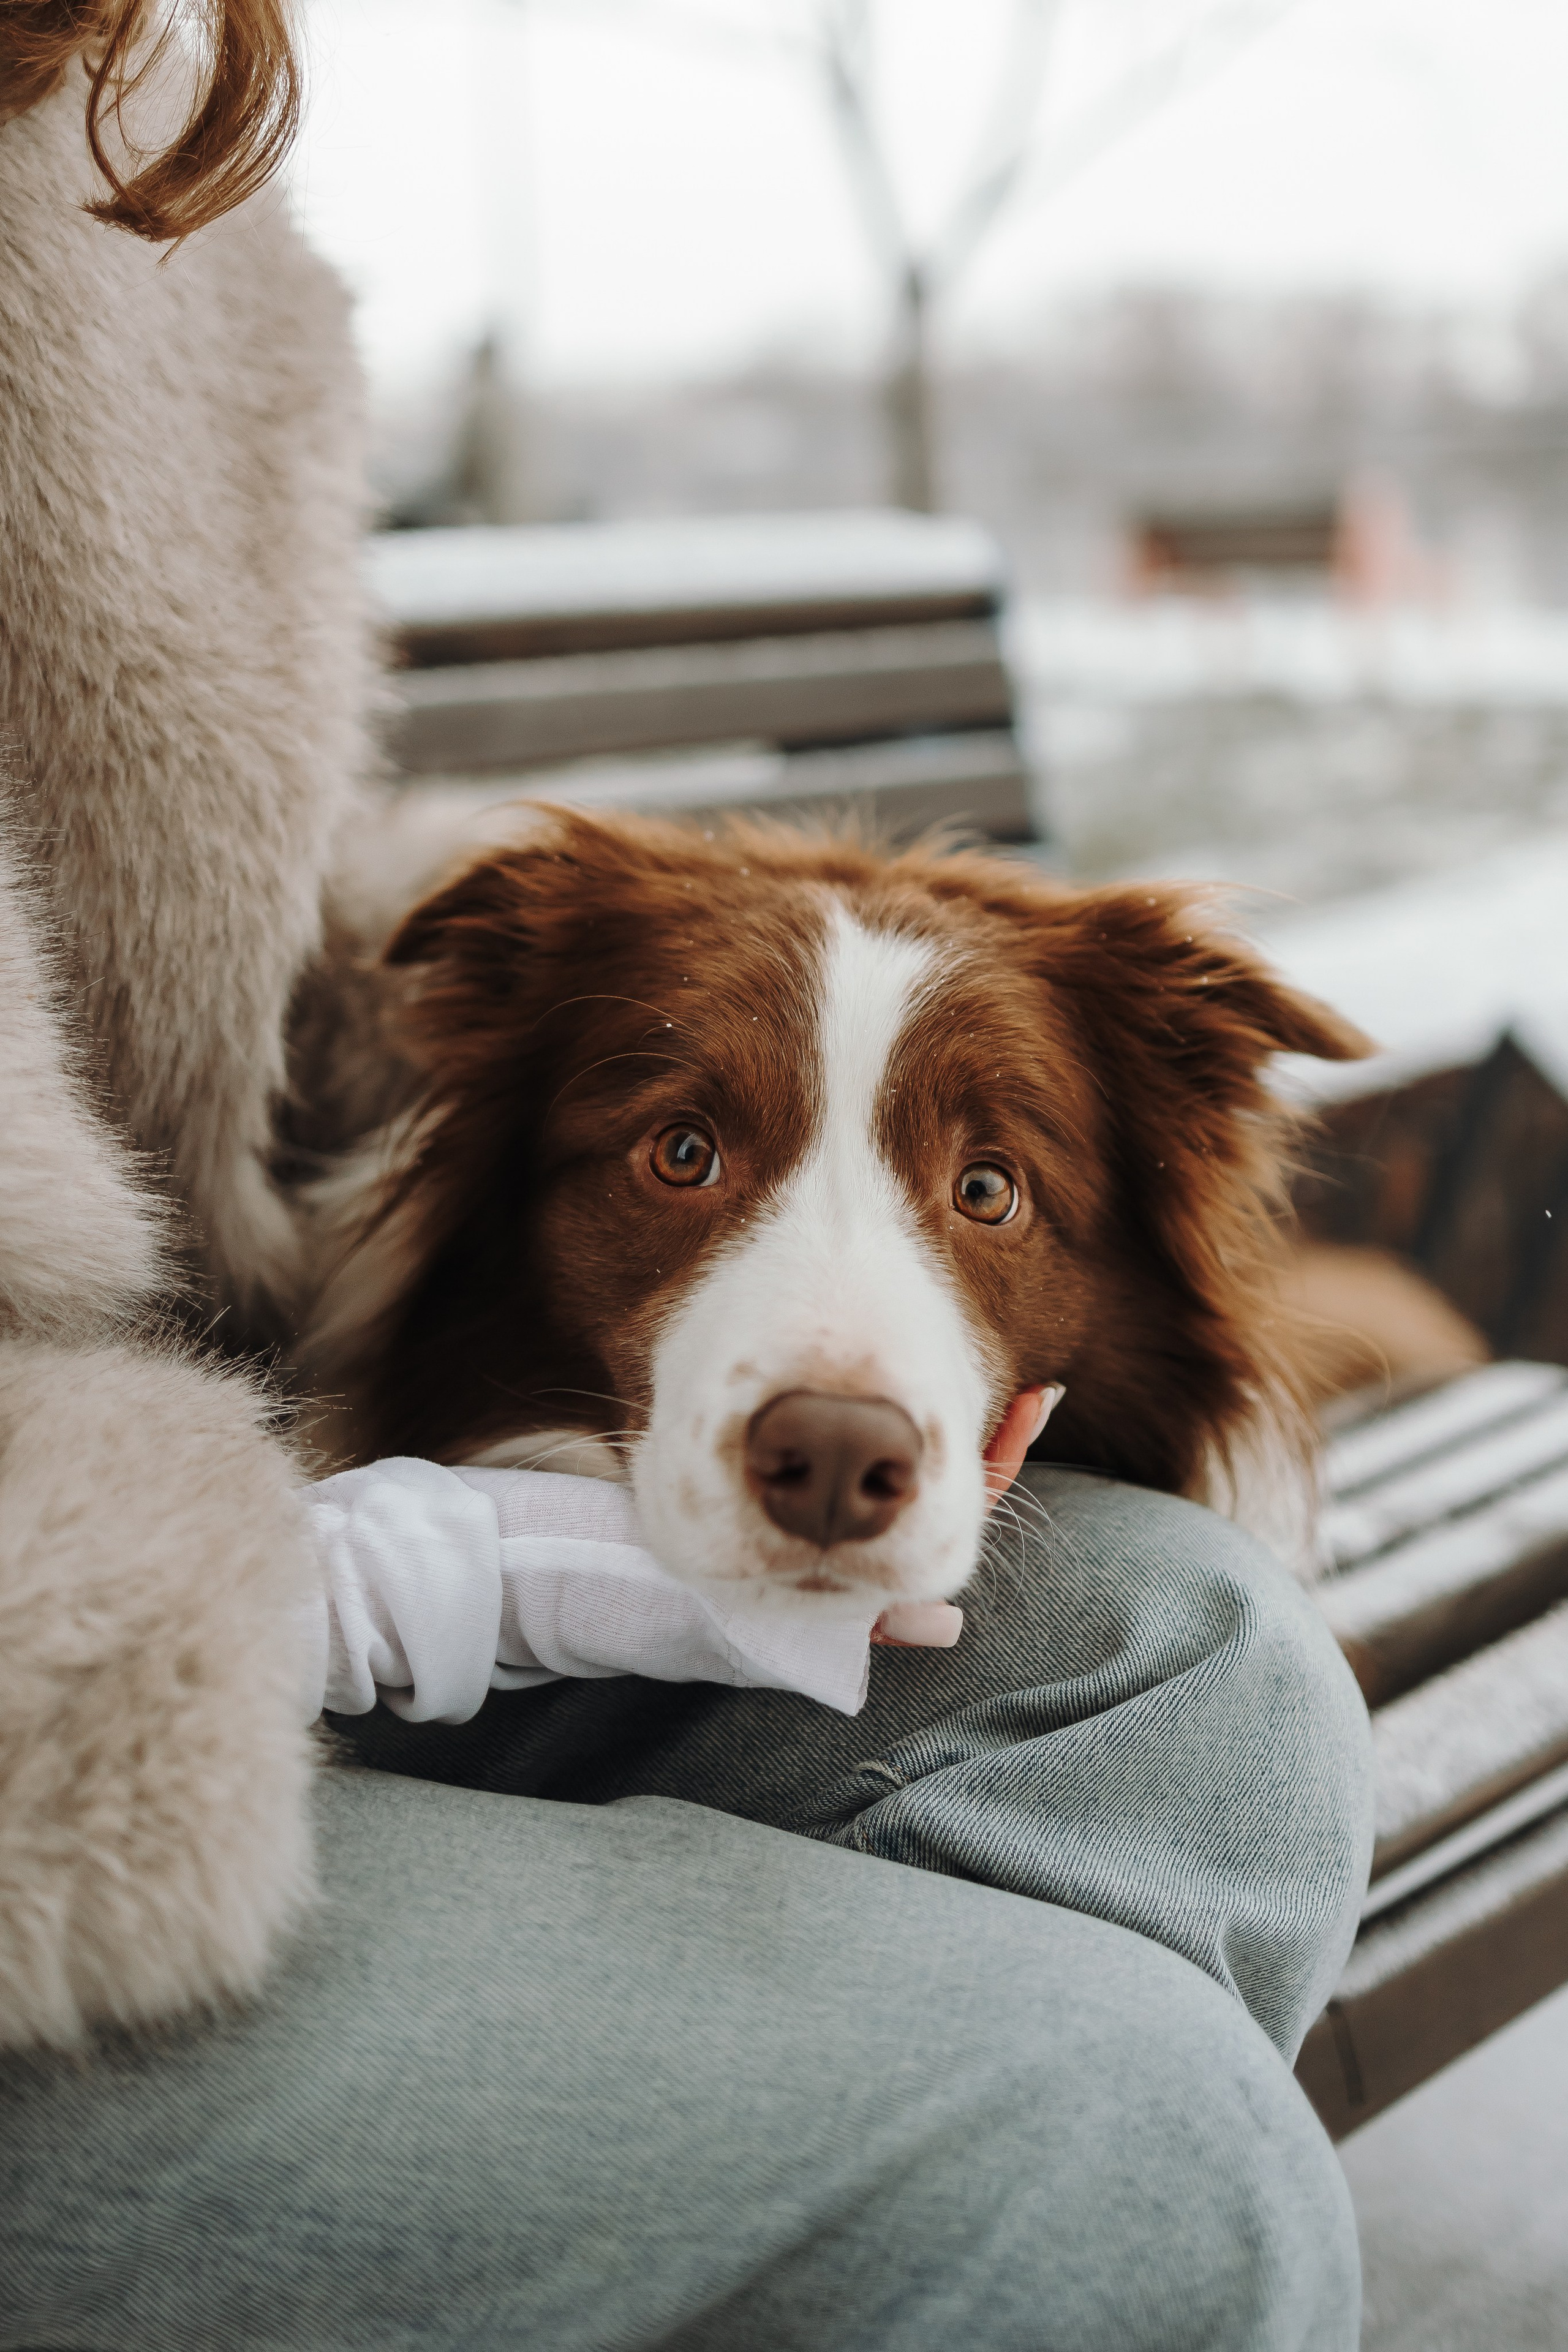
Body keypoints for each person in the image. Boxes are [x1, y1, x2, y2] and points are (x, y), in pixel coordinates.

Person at [0, 9, 1373, 2346]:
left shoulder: (113, 146)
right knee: (1139, 2144)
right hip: (68, 1738)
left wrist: (625, 974)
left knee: (1206, 1673)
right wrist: (326, 1587)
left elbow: (169, 940)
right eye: (683, 1151)